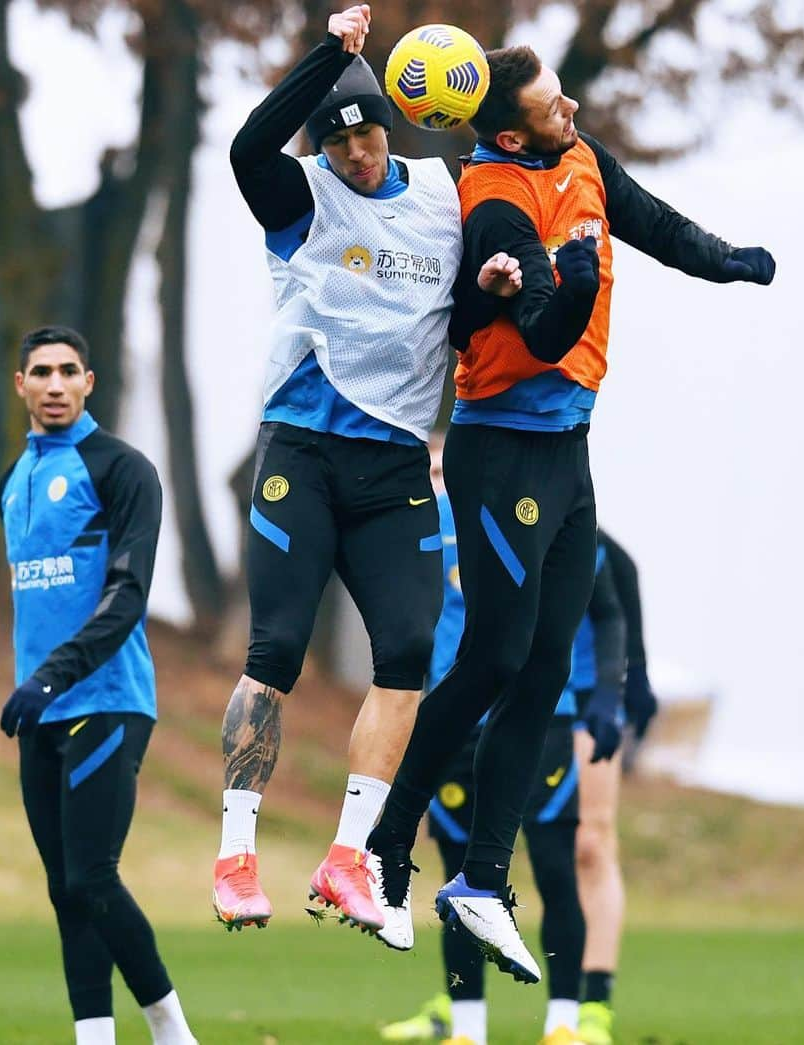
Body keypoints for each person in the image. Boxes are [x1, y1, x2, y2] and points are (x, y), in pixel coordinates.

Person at [367, 43, 775, 982]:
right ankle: (388, 846)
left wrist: (728, 264)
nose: (572, 105)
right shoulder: (497, 203)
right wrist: (579, 278)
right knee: (494, 657)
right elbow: (547, 334)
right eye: (554, 103)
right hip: (499, 446)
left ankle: (478, 882)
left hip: (566, 449)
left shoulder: (580, 157)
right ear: (509, 129)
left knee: (548, 663)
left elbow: (654, 222)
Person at [211, 5, 514, 935]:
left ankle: (349, 856)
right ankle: (235, 856)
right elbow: (244, 147)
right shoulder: (298, 194)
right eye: (340, 144)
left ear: (391, 122)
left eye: (367, 133)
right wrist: (327, 57)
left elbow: (449, 322)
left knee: (413, 651)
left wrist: (491, 292)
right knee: (278, 650)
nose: (358, 156)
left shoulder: (439, 192)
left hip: (394, 467)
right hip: (301, 452)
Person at [380, 436, 625, 1045]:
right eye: (434, 467)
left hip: (541, 717)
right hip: (455, 720)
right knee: (457, 876)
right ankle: (468, 1028)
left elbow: (604, 602)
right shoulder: (427, 525)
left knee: (555, 870)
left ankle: (565, 1021)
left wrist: (607, 694)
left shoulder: (545, 510)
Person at [0, 326, 198, 1045]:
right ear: (19, 384)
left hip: (107, 699)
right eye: (40, 372)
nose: (54, 384)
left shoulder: (122, 468)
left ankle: (173, 1032)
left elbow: (125, 595)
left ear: (90, 381)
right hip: (41, 710)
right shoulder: (12, 481)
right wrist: (35, 685)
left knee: (91, 875)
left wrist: (50, 678)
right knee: (65, 891)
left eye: (68, 371)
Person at [572, 531, 657, 1045]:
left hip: (583, 703)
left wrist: (633, 683)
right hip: (505, 702)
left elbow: (618, 620)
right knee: (468, 848)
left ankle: (594, 1004)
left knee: (591, 843)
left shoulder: (600, 549)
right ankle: (460, 1000)